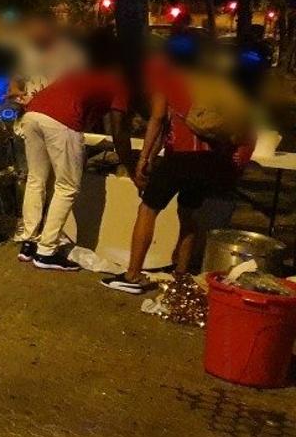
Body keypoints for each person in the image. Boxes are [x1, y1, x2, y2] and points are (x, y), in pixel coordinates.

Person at [100, 51, 253, 294]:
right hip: (209, 161)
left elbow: (159, 119)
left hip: (181, 157)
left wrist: (144, 158)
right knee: (188, 214)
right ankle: (181, 274)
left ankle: (132, 275)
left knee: (147, 209)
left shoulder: (171, 80)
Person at [17, 29, 133, 270]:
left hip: (33, 113)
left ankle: (29, 241)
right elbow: (119, 130)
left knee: (36, 179)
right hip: (62, 121)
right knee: (67, 186)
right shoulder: (116, 79)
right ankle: (46, 251)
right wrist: (130, 164)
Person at [6, 11, 86, 105]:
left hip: (55, 112)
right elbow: (17, 76)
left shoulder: (70, 54)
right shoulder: (27, 52)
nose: (34, 33)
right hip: (29, 110)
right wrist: (15, 88)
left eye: (39, 28)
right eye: (32, 28)